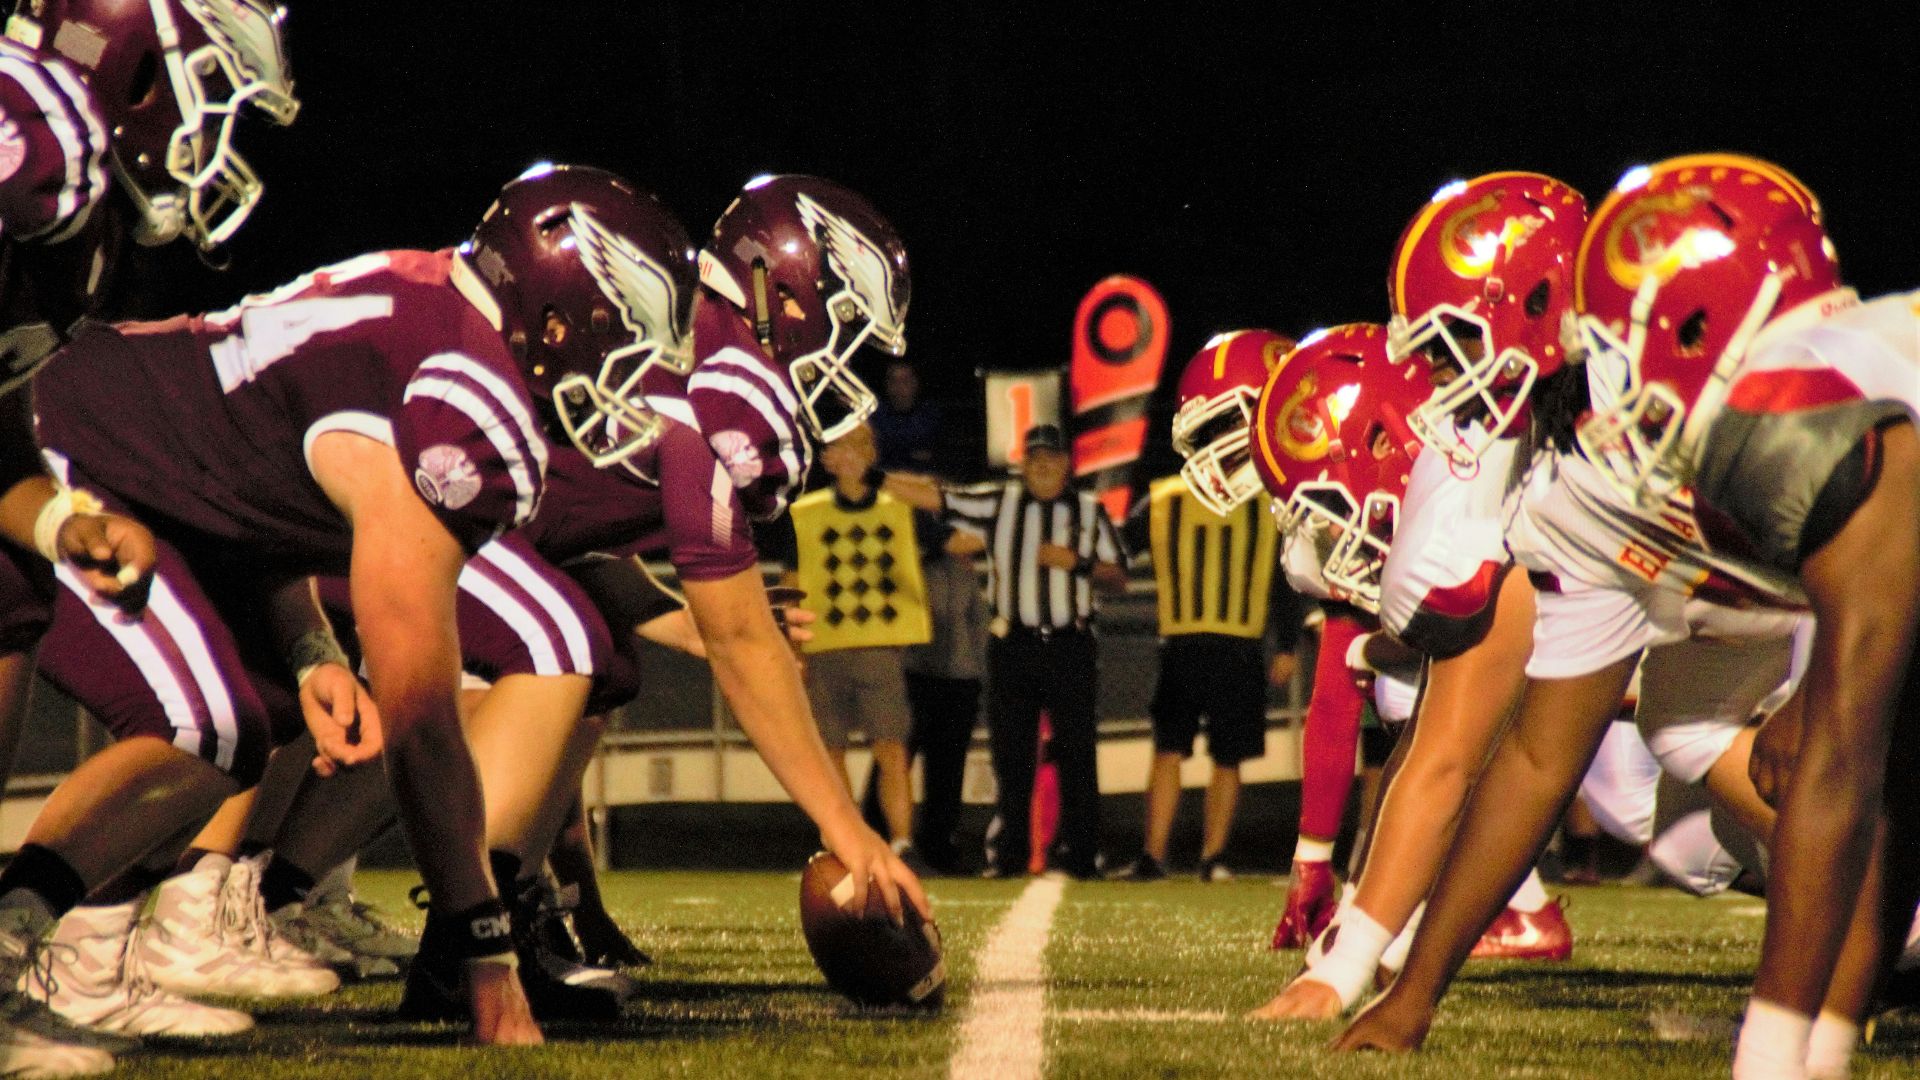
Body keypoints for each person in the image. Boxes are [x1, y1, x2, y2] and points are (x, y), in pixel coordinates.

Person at [886, 423, 1127, 879]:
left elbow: (1119, 576)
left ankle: (1083, 854)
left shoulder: (1089, 510)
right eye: (1035, 458)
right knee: (1011, 754)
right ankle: (1009, 854)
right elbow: (941, 499)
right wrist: (875, 477)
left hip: (1071, 642)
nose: (1043, 466)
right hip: (1013, 642)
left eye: (1051, 457)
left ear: (1066, 464)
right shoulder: (1001, 503)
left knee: (1077, 751)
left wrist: (1078, 563)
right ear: (1023, 464)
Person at [1114, 329, 1303, 883]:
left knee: (1223, 753)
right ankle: (1156, 854)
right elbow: (1115, 551)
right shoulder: (1168, 495)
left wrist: (1287, 641)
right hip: (1187, 639)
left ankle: (1210, 855)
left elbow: (1283, 576)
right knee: (1172, 747)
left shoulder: (1265, 498)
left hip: (1237, 640)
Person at [783, 422, 933, 856]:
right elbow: (792, 583)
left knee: (891, 747)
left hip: (881, 648)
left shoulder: (898, 507)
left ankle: (902, 843)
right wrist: (795, 651)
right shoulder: (805, 513)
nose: (850, 455)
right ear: (827, 458)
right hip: (823, 647)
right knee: (829, 751)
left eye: (859, 445)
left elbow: (942, 538)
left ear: (872, 452)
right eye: (841, 446)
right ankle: (845, 842)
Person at [871, 358, 942, 470]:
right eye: (894, 381)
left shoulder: (929, 414)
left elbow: (929, 452)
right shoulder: (876, 415)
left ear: (915, 383)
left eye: (905, 381)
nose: (899, 387)